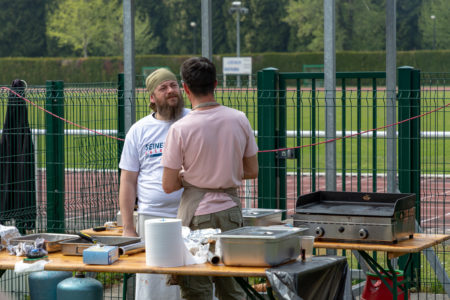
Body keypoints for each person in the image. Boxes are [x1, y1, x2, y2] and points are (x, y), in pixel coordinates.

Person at [161, 57, 259, 300]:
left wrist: (189, 177)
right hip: (231, 213)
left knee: (197, 290)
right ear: (215, 84)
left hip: (197, 215)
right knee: (233, 288)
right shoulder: (239, 119)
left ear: (185, 88)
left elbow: (168, 185)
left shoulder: (180, 129)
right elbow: (252, 170)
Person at [119, 68, 189, 300]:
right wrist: (129, 226)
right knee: (155, 287)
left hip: (191, 218)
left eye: (174, 85)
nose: (171, 91)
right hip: (151, 219)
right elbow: (128, 181)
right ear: (152, 97)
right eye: (163, 87)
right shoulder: (139, 131)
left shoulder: (193, 121)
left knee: (192, 285)